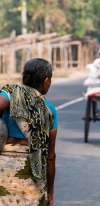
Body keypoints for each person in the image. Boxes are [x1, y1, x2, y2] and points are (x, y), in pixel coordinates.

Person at [0, 58, 58, 206]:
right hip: (32, 173)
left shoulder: (10, 94)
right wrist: (50, 192)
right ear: (46, 80)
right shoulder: (49, 110)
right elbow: (50, 157)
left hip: (3, 170)